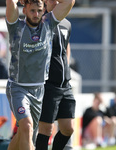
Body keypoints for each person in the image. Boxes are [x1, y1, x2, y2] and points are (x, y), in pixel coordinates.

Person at [5, 0, 75, 149]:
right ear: (24, 10)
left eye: (39, 10)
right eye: (32, 11)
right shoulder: (16, 27)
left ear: (44, 11)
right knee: (27, 125)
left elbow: (70, 2)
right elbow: (10, 2)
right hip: (18, 88)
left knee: (24, 133)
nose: (36, 14)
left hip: (38, 91)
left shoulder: (48, 25)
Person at [35, 0, 75, 149]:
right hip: (49, 84)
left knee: (68, 128)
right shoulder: (41, 21)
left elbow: (66, 47)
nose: (57, 2)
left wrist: (66, 67)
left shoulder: (67, 24)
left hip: (65, 84)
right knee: (46, 129)